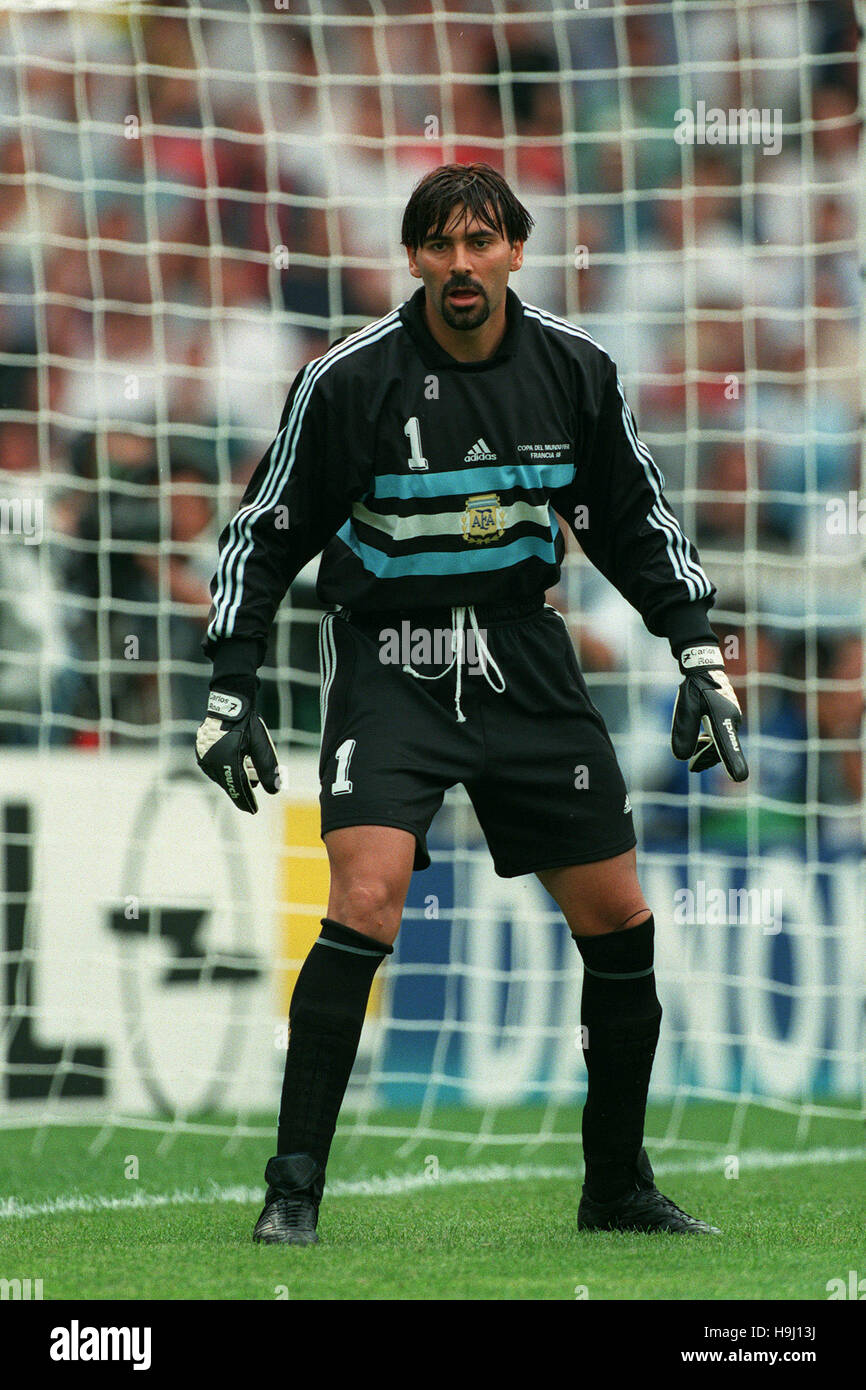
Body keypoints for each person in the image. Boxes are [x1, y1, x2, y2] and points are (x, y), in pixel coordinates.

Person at [196, 163, 748, 1245]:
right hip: (390, 660)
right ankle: (292, 1189)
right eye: (439, 245)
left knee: (618, 920)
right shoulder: (347, 378)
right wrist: (230, 680)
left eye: (481, 243)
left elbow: (633, 521)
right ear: (410, 257)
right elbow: (263, 534)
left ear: (514, 252)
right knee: (365, 898)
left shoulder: (572, 369)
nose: (460, 264)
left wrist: (696, 650)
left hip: (521, 656)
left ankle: (614, 1190)